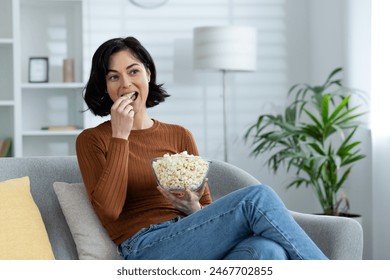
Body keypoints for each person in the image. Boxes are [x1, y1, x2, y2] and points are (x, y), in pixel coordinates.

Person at [76, 36, 328, 260]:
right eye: (113, 77)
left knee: (268, 251)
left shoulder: (179, 135)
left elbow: (205, 207)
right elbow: (109, 212)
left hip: (194, 235)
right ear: (105, 86)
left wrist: (192, 207)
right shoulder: (92, 139)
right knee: (256, 198)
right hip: (146, 247)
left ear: (148, 74)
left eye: (133, 72)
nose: (126, 84)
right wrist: (120, 135)